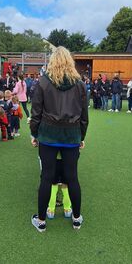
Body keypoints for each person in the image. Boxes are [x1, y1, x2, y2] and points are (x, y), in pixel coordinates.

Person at [30, 46, 88, 232]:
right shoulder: (79, 83)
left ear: (52, 61)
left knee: (47, 177)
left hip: (49, 135)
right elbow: (84, 115)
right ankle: (76, 218)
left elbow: (35, 113)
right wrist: (81, 136)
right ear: (69, 61)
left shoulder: (43, 82)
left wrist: (34, 134)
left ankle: (41, 221)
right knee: (72, 178)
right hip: (70, 135)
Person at [46, 153, 72, 219]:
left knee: (53, 184)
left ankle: (51, 211)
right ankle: (67, 210)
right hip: (67, 157)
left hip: (54, 157)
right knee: (65, 184)